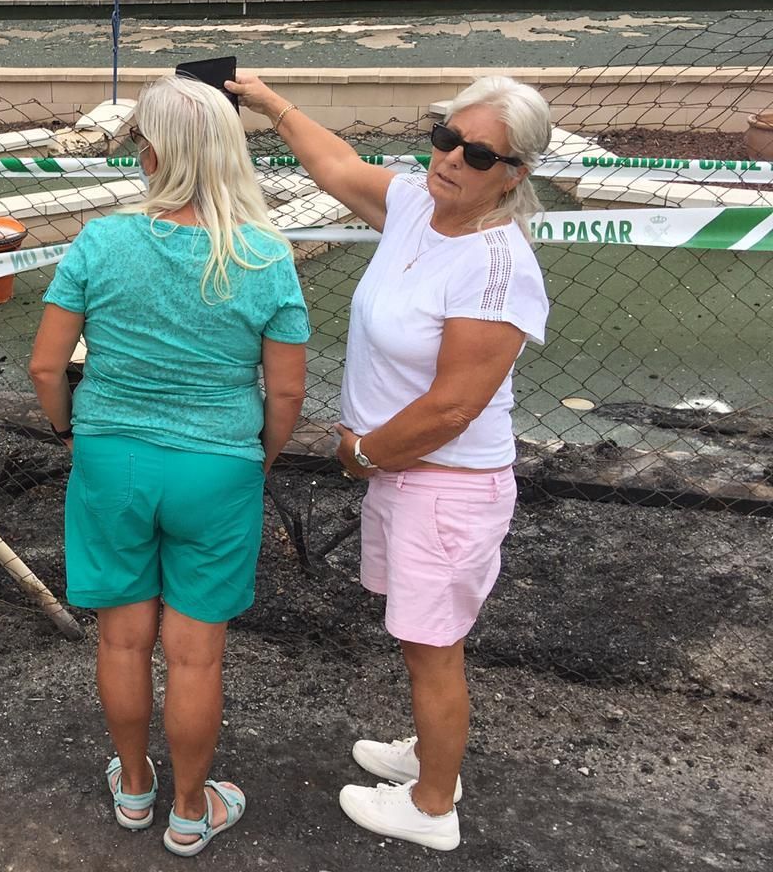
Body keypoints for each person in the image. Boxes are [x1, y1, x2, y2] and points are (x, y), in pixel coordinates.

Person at [223, 71, 551, 852]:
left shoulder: (497, 266)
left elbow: (453, 406)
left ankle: (433, 806)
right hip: (407, 473)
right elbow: (335, 166)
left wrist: (364, 453)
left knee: (435, 650)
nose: (449, 160)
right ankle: (429, 755)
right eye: (444, 137)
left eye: (476, 153)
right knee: (422, 636)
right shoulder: (417, 207)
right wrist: (274, 106)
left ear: (514, 173)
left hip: (444, 481)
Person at [28, 75, 310, 857]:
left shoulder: (101, 241)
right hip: (218, 467)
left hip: (113, 458)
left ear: (149, 155)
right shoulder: (265, 254)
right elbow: (285, 388)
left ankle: (133, 786)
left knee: (121, 641)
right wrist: (259, 455)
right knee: (197, 651)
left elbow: (47, 368)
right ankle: (191, 810)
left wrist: (70, 435)